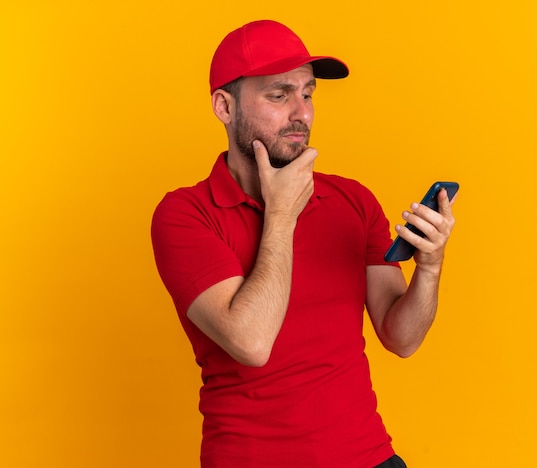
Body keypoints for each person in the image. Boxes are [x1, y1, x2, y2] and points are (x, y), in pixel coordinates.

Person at [151, 19, 456, 468]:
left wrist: (429, 268)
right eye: (279, 95)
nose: (302, 113)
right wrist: (281, 215)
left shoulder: (352, 200)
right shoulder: (185, 214)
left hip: (369, 458)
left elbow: (402, 337)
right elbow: (251, 343)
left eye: (308, 93)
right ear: (224, 106)